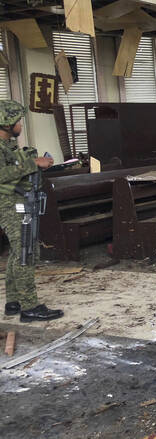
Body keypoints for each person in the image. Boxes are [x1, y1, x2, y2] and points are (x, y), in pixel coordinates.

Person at [0, 99, 63, 322]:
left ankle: (14, 301)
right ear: (7, 123)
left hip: (17, 200)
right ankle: (30, 307)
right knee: (25, 252)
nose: (20, 125)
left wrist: (33, 160)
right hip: (7, 204)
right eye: (17, 121)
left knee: (19, 252)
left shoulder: (7, 145)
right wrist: (33, 163)